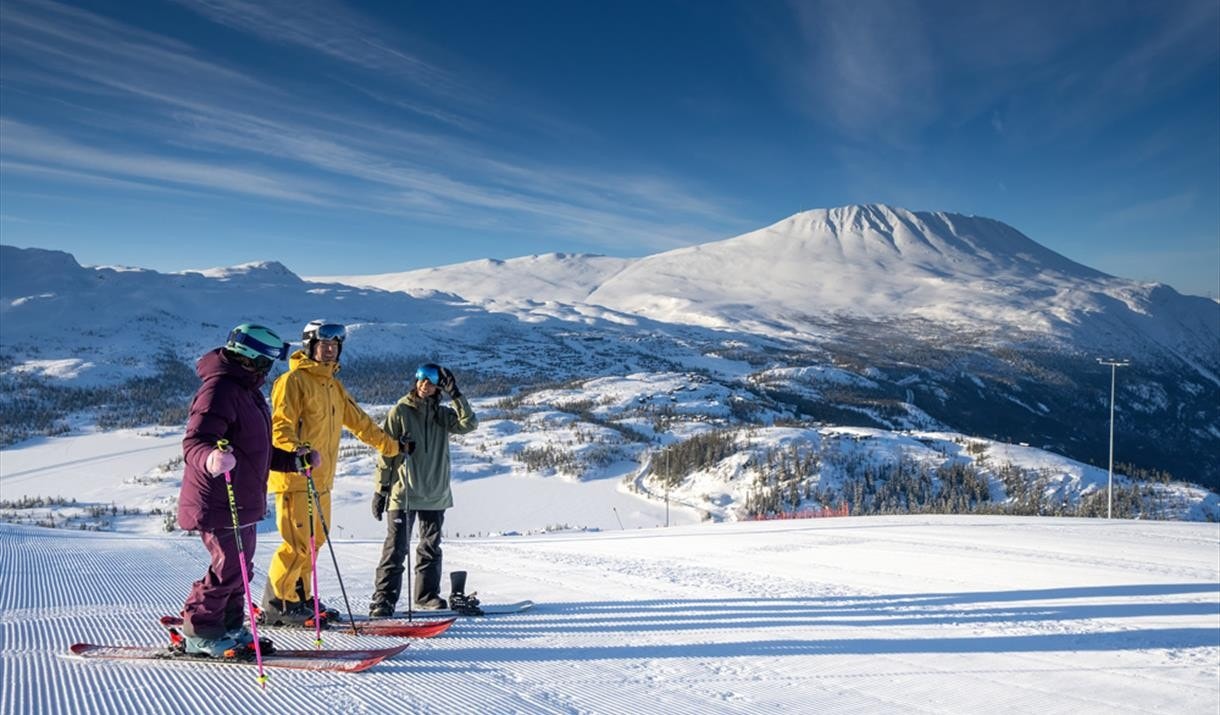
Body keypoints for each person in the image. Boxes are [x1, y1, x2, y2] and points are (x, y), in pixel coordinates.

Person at [260, 320, 403, 627]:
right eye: (323, 346)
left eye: (334, 347)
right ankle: (279, 604)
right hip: (296, 477)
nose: (329, 352)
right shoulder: (292, 381)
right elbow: (280, 426)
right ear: (309, 347)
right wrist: (296, 452)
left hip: (322, 480)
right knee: (296, 544)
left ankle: (301, 598)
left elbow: (360, 422)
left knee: (313, 542)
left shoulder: (332, 385)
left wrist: (391, 447)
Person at [177, 323, 309, 657]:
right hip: (218, 499)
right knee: (228, 568)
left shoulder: (246, 390)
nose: (269, 369)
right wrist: (210, 458)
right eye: (267, 361)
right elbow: (194, 442)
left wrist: (294, 461)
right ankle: (201, 632)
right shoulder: (219, 389)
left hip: (242, 499)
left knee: (240, 568)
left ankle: (230, 626)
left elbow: (256, 451)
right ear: (250, 358)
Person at [369, 362, 479, 617]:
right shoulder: (400, 412)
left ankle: (427, 596)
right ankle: (383, 600)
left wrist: (457, 395)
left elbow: (469, 424)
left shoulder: (443, 415)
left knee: (430, 548)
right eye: (420, 378)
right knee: (395, 549)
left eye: (430, 380)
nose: (424, 384)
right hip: (403, 492)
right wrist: (381, 491)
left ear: (439, 386)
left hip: (435, 493)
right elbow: (386, 453)